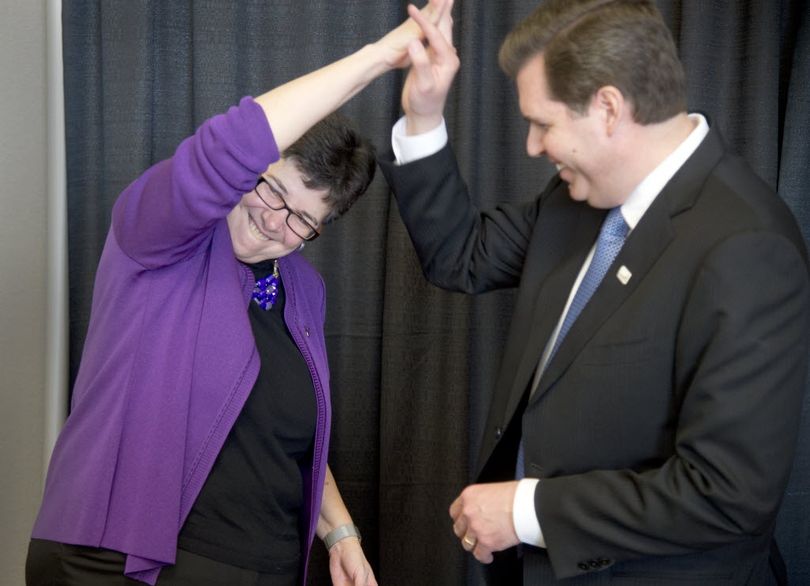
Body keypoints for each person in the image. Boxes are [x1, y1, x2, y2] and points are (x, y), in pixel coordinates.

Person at [380, 0, 810, 583]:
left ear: (609, 108)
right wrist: (423, 114)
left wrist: (526, 511)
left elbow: (727, 495)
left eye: (544, 123)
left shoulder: (747, 247)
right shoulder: (579, 198)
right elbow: (462, 256)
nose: (532, 146)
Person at [25, 2, 450, 585]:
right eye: (274, 191)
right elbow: (225, 148)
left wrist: (341, 532)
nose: (278, 223)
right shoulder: (162, 235)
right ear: (250, 171)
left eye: (304, 221)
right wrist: (378, 58)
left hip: (264, 564)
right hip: (124, 560)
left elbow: (284, 437)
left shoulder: (302, 289)